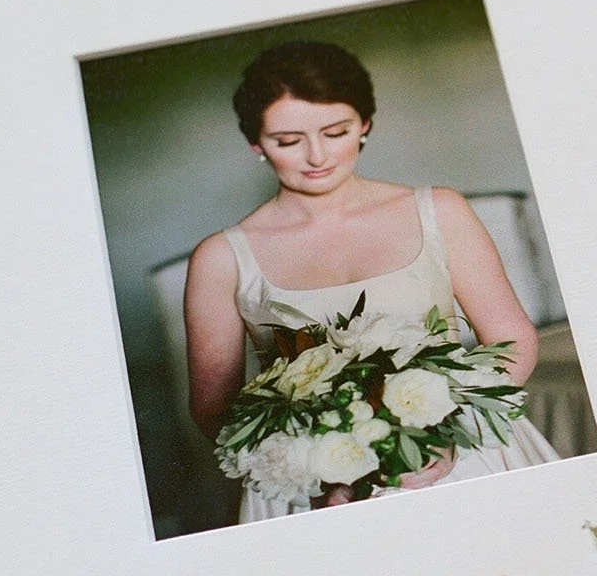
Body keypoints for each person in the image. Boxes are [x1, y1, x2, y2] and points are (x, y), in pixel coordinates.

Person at [183, 40, 559, 520]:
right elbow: (215, 409)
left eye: (335, 132)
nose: (317, 155)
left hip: (464, 458)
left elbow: (512, 339)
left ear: (365, 123)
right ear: (256, 142)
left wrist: (448, 432)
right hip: (314, 494)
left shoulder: (440, 210)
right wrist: (312, 471)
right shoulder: (220, 258)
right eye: (288, 141)